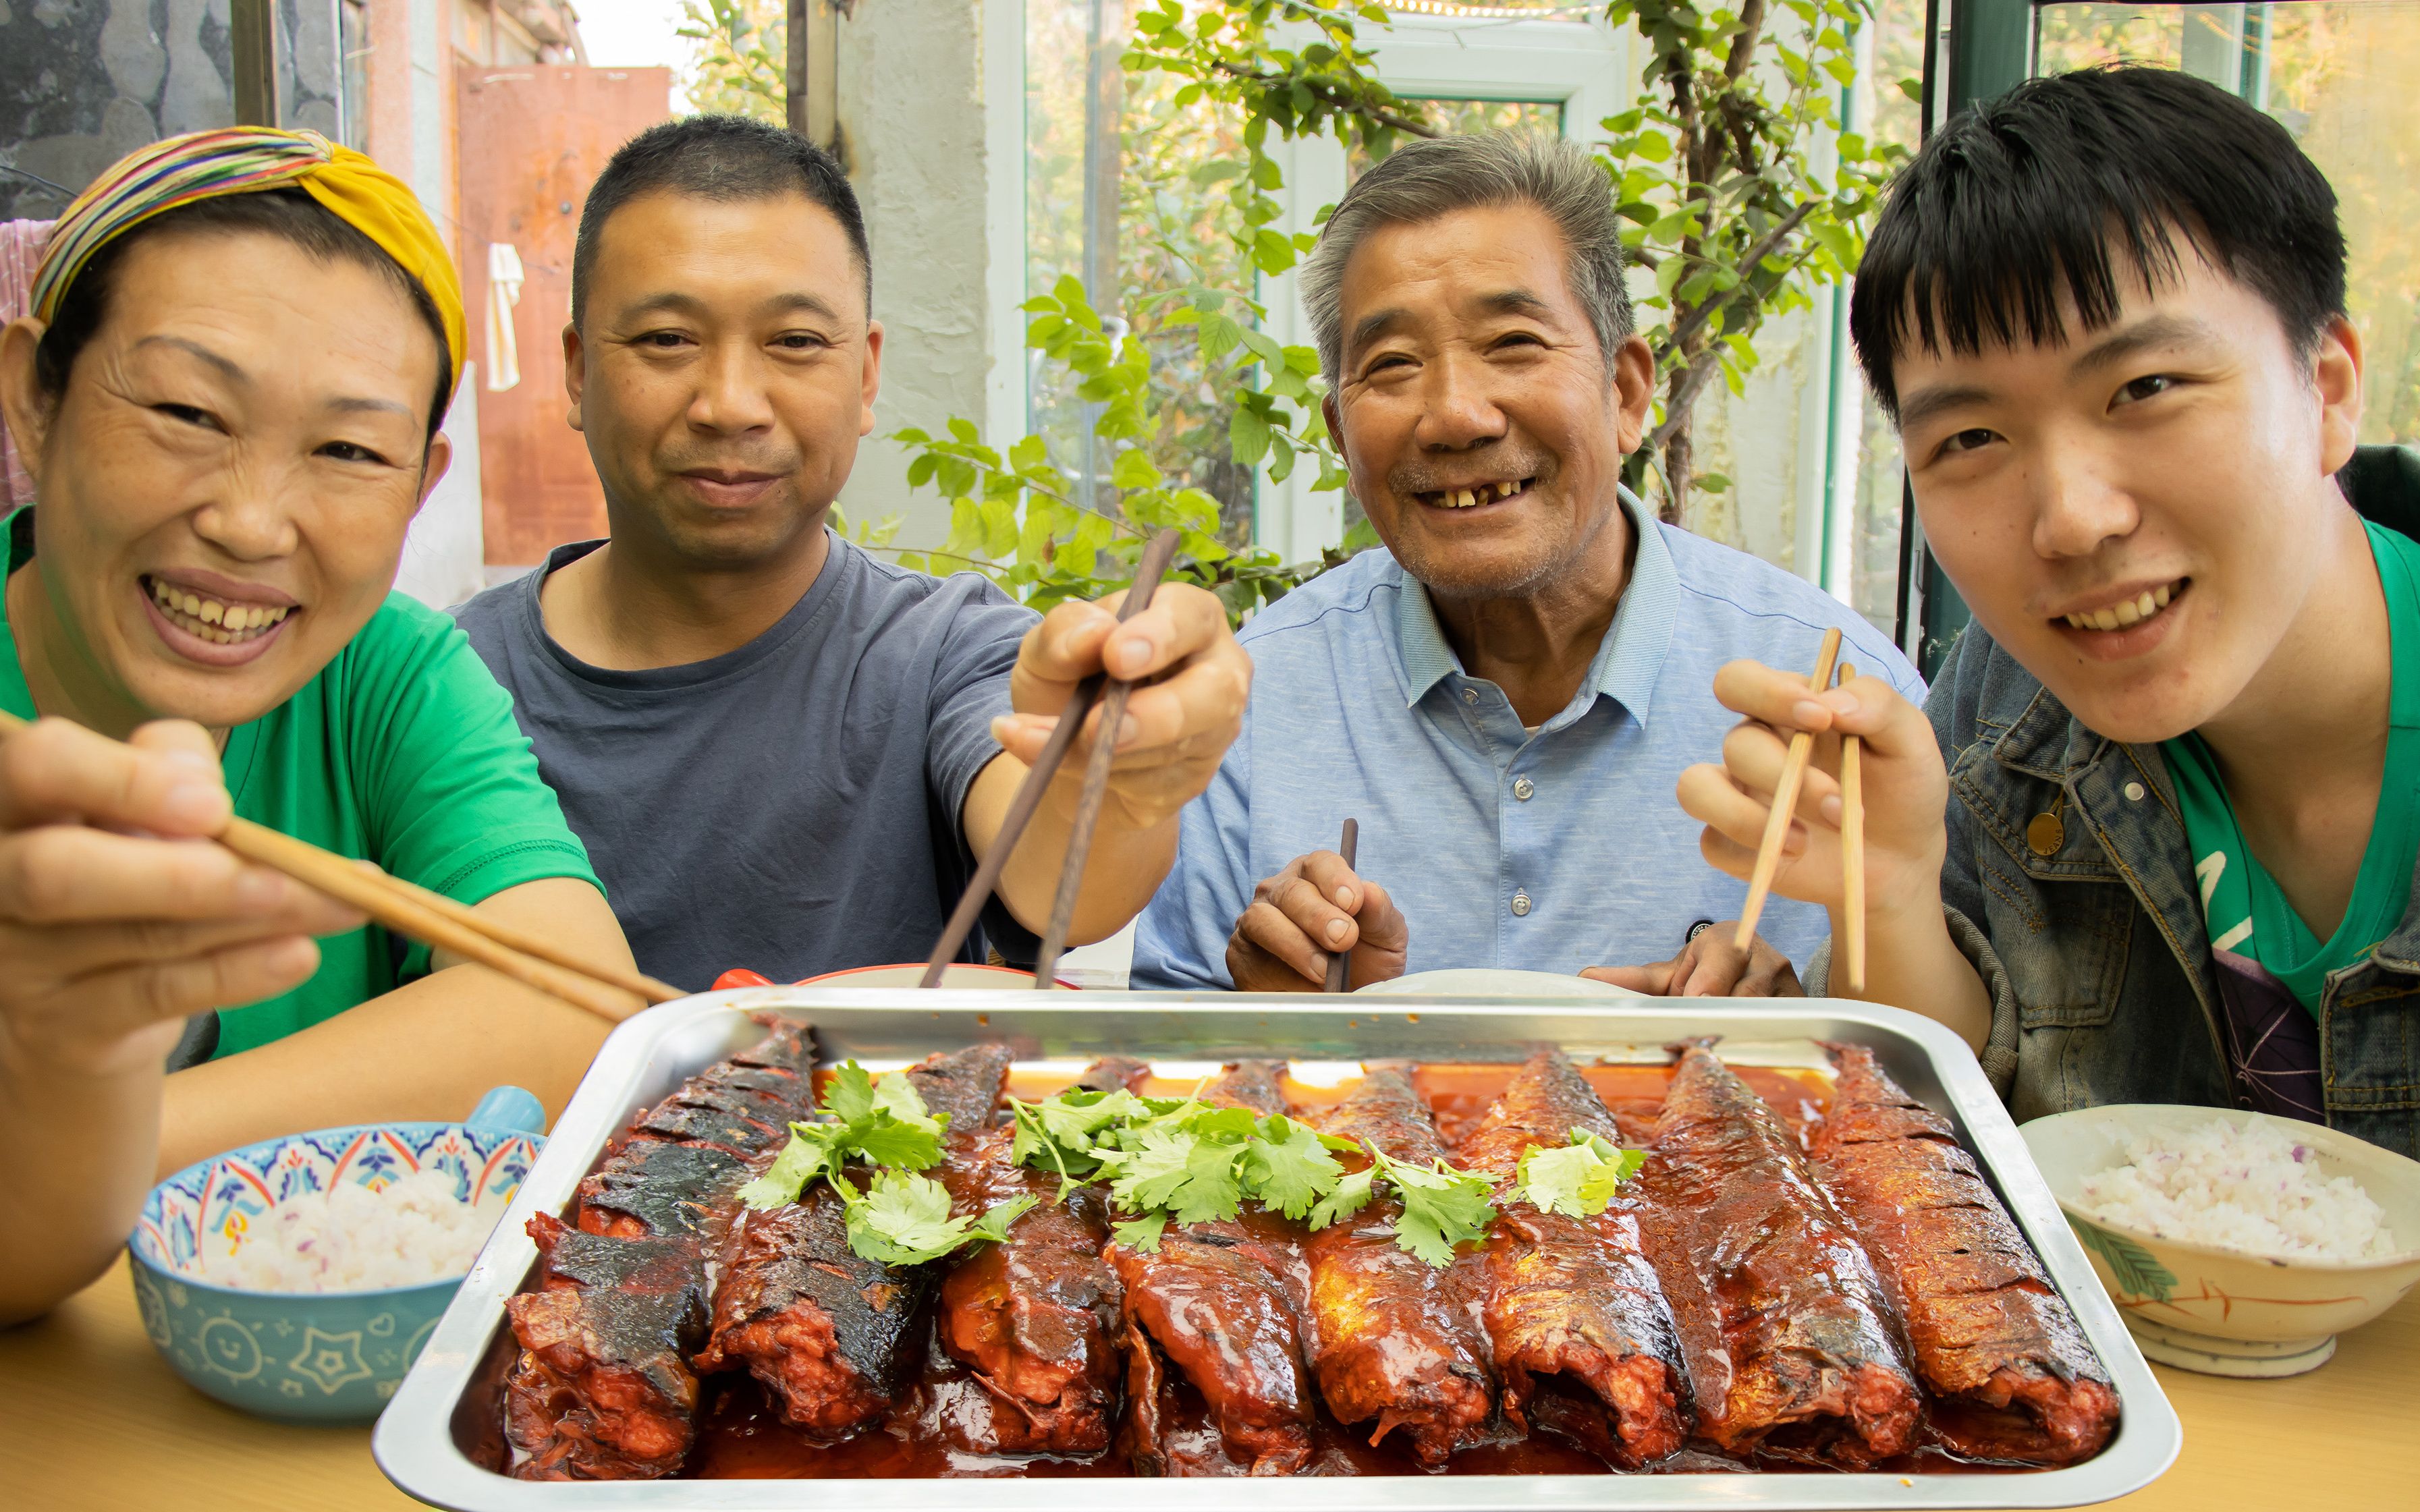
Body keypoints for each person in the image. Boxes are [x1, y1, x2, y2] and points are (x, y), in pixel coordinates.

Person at [1680, 66, 2420, 1157]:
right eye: (1971, 440)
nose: (2071, 522)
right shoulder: (2003, 700)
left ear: (2329, 386)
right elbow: (1954, 1128)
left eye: (2146, 389)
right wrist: (1884, 891)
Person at [0, 128, 643, 1322]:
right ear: (31, 398)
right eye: (191, 412)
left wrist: (87, 1116)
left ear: (420, 480)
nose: (253, 524)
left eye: (349, 449)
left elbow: (572, 1001)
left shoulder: (383, 674)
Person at [454, 117, 1250, 989]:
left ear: (865, 375)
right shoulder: (432, 683)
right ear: (576, 371)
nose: (729, 404)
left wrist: (1123, 772)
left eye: (794, 342)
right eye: (666, 340)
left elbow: (1069, 877)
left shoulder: (943, 649)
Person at [1130, 133, 1919, 994]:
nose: (1455, 415)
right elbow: (1159, 1082)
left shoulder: (1823, 695)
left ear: (1624, 393)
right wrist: (1282, 1041)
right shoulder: (1255, 698)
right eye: (1391, 364)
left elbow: (1935, 1076)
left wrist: (1793, 1047)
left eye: (1512, 343)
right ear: (1339, 437)